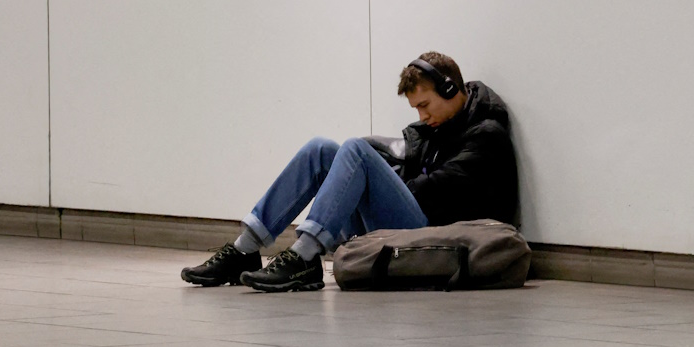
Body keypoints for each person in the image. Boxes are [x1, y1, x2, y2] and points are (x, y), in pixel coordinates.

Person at [181, 52, 518, 292]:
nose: (421, 115)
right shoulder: (439, 127)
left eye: (425, 105)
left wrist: (377, 182)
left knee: (356, 149)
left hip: (434, 234)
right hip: (414, 222)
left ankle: (304, 256)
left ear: (449, 89)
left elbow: (434, 191)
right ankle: (245, 248)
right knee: (320, 148)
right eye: (416, 109)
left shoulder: (484, 135)